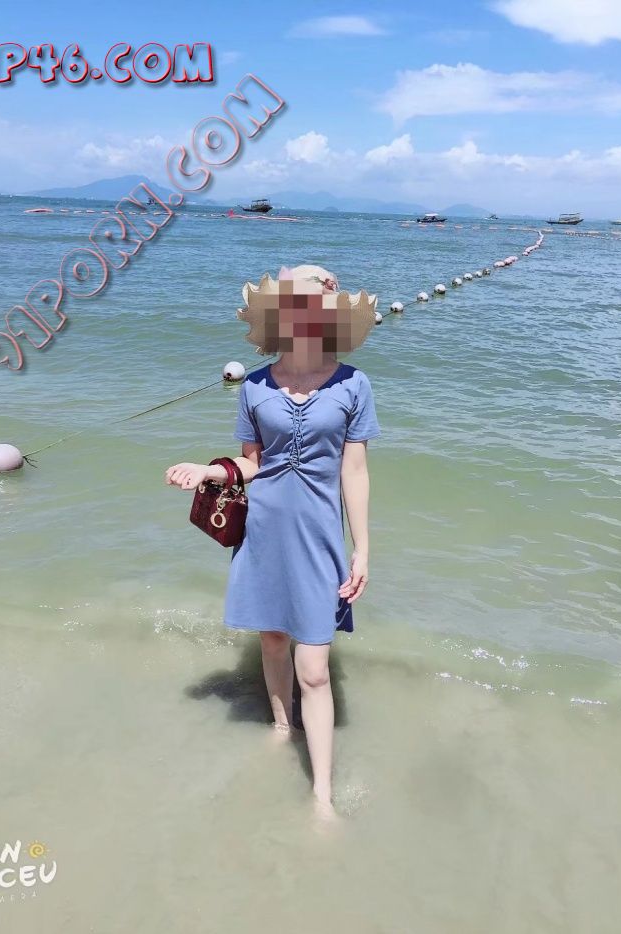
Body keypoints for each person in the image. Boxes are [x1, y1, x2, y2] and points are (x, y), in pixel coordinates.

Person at [164, 264, 381, 821]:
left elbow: (354, 472)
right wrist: (208, 471)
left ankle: (322, 796)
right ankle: (284, 727)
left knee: (316, 667)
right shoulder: (256, 386)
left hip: (318, 535)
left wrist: (362, 549)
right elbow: (252, 464)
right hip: (263, 530)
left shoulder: (353, 384)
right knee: (274, 641)